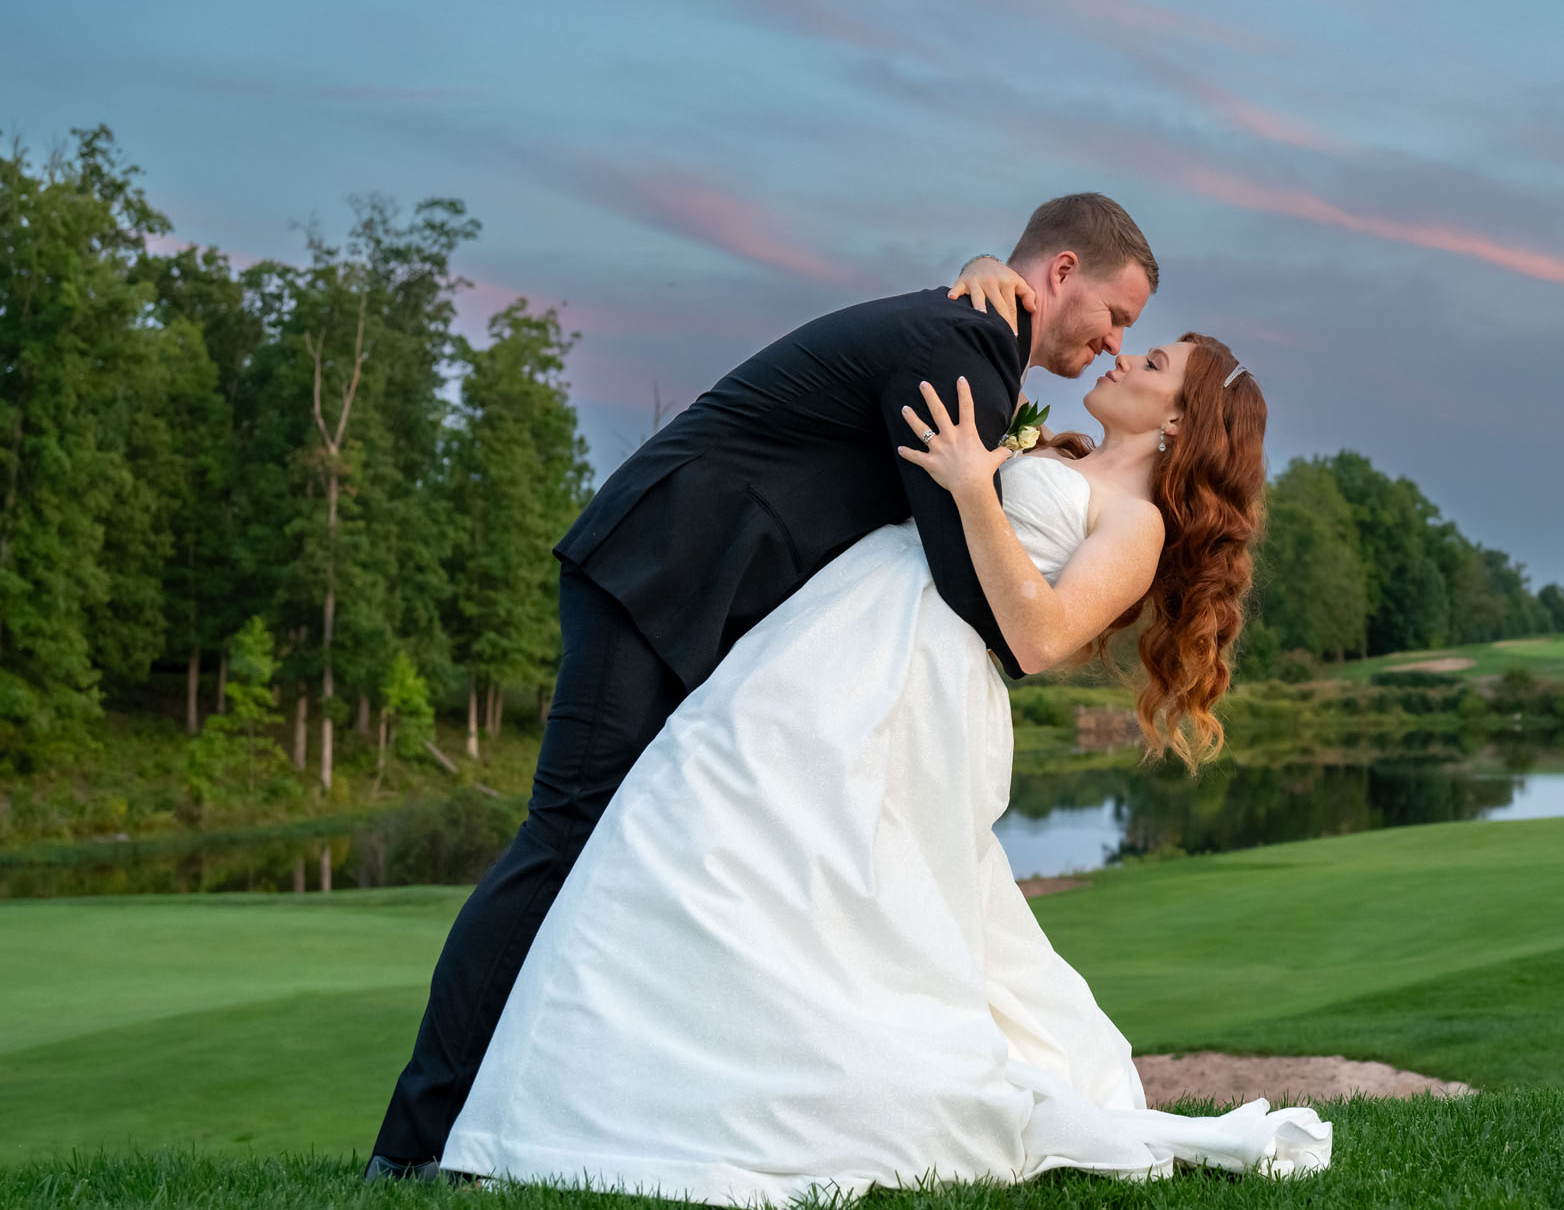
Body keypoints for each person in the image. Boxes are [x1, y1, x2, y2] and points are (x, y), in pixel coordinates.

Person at [438, 327, 1325, 1203]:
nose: (1125, 356)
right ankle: (586, 1101)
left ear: (1178, 423)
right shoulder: (1060, 450)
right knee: (692, 815)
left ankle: (773, 1095)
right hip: (827, 635)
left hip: (913, 683)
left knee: (832, 874)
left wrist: (979, 490)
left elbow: (1041, 638)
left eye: (1155, 363)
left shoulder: (1135, 525)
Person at [370, 194, 1158, 1177]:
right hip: (660, 574)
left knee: (616, 853)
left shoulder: (969, 329)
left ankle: (535, 1129)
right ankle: (408, 1155)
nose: (1119, 342)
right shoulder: (966, 344)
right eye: (1116, 314)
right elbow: (965, 576)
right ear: (1058, 271)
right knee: (561, 841)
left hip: (699, 597)